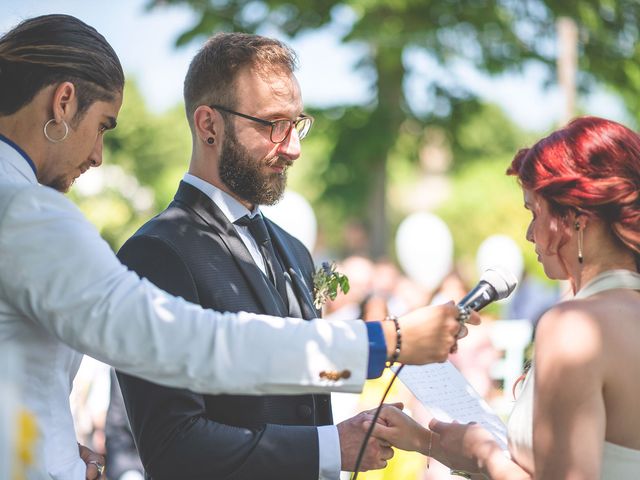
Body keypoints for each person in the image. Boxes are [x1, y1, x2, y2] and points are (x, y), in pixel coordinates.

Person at [0, 14, 475, 480]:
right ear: (64, 102)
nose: (99, 156)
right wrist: (381, 345)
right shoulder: (54, 221)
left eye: (297, 125)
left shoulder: (291, 248)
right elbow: (197, 349)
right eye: (104, 125)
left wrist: (56, 447)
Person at [115, 32, 409, 480]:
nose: (293, 148)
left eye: (297, 123)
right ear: (208, 124)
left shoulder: (293, 248)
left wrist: (366, 412)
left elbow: (298, 375)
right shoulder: (157, 252)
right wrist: (331, 447)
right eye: (273, 124)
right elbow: (173, 446)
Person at [369, 116, 640, 479]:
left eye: (534, 211)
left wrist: (485, 454)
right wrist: (431, 443)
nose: (530, 234)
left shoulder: (576, 328)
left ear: (576, 218)